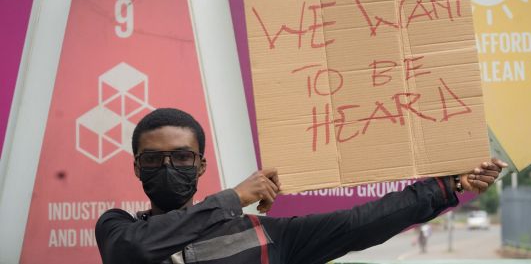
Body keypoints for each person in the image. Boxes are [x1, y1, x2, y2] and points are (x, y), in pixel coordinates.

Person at [95, 108, 507, 264]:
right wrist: (235, 198)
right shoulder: (118, 229)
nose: (168, 166)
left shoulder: (264, 236)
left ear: (201, 164)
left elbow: (360, 223)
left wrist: (447, 185)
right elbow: (131, 251)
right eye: (154, 159)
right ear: (137, 167)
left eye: (182, 156)